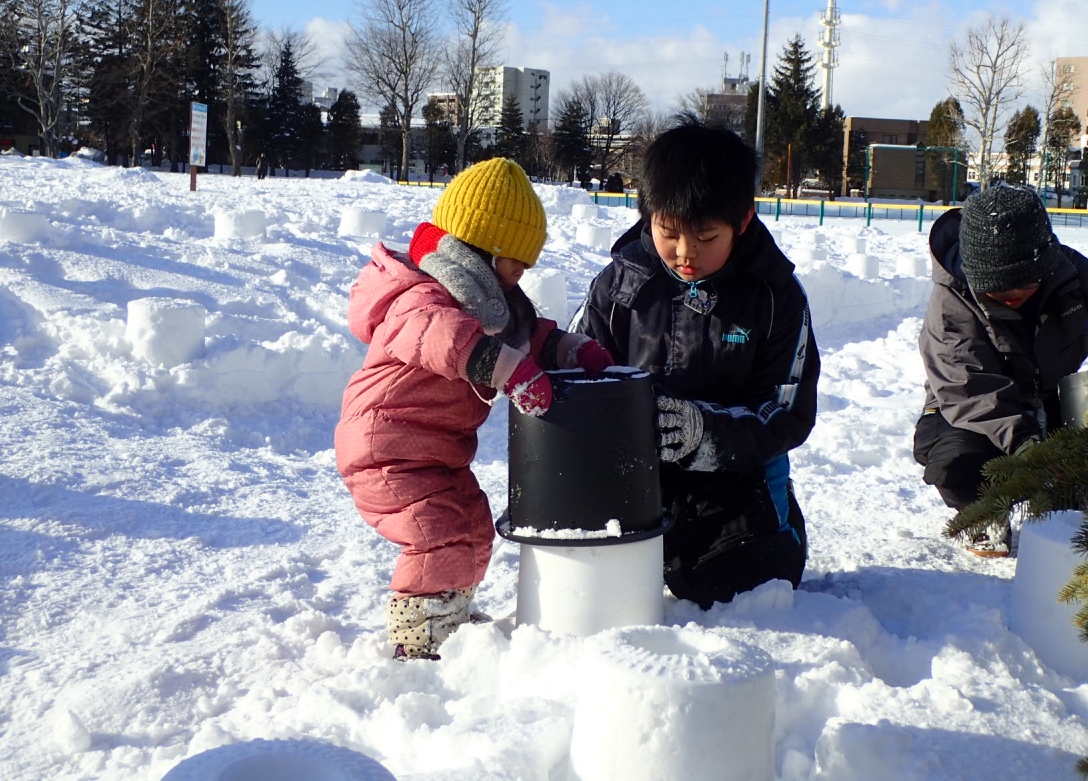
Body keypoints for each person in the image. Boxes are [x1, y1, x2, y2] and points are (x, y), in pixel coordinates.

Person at [335, 158, 615, 659]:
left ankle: (448, 613)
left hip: (436, 452)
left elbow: (529, 339)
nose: (523, 273)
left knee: (471, 525)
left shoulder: (489, 302)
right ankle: (418, 636)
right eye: (517, 262)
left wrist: (570, 350)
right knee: (437, 533)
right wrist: (507, 370)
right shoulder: (419, 295)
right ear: (485, 248)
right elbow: (442, 338)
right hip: (386, 448)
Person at [576, 121, 818, 608]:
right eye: (669, 233)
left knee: (747, 583)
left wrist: (705, 434)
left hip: (733, 477)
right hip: (633, 474)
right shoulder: (619, 285)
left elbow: (787, 411)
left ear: (743, 221)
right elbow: (580, 377)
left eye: (706, 236)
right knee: (590, 577)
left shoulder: (775, 296)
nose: (686, 254)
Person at [915, 184, 1088, 556]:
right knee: (958, 465)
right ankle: (980, 513)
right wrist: (1030, 449)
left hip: (1051, 398)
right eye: (998, 292)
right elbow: (970, 394)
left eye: (1024, 286)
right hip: (971, 415)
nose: (1013, 298)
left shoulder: (1068, 271)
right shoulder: (951, 306)